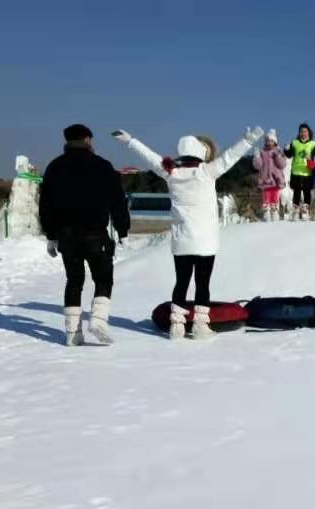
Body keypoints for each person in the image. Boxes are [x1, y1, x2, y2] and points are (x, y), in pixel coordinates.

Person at [116, 126, 264, 340]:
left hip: (182, 241)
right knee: (203, 283)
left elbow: (149, 156)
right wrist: (248, 140)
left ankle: (177, 325)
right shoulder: (207, 171)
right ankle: (200, 326)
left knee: (181, 281)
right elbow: (231, 156)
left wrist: (130, 141)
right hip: (205, 241)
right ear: (200, 152)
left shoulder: (171, 173)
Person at [40, 123, 130, 346]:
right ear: (88, 140)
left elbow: (45, 205)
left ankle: (73, 332)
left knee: (74, 280)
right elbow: (117, 201)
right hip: (95, 235)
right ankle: (98, 320)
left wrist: (51, 236)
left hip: (66, 236)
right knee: (103, 278)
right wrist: (123, 231)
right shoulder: (102, 166)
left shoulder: (54, 167)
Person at [253, 129, 287, 222]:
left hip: (276, 179)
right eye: (267, 140)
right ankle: (266, 212)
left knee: (275, 195)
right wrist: (257, 157)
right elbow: (258, 166)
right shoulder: (262, 152)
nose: (269, 143)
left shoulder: (278, 151)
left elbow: (282, 165)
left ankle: (274, 211)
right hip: (265, 178)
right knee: (266, 196)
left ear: (275, 142)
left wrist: (278, 156)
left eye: (271, 141)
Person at [285, 123, 315, 219]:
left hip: (307, 172)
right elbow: (289, 155)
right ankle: (295, 210)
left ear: (309, 132)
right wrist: (286, 149)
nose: (303, 133)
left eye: (305, 131)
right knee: (296, 191)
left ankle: (305, 210)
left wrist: (310, 160)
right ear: (299, 133)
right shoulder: (294, 143)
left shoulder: (313, 144)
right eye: (301, 131)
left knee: (307, 191)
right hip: (296, 171)